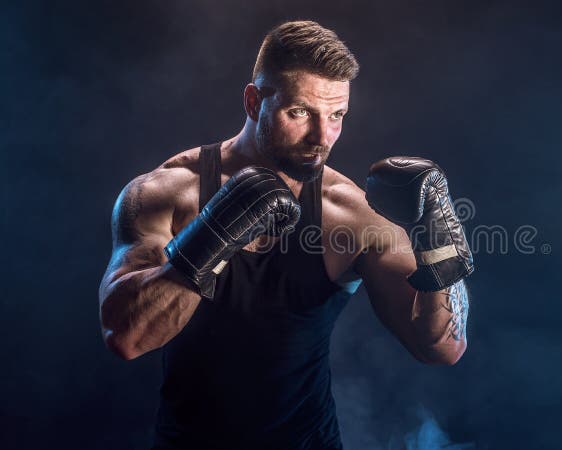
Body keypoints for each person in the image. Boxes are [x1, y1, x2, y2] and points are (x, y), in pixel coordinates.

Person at [98, 20, 474, 450]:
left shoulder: (350, 215)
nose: (321, 137)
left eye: (337, 116)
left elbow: (441, 348)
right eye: (300, 112)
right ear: (254, 101)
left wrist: (439, 242)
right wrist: (213, 234)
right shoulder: (167, 192)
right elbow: (125, 338)